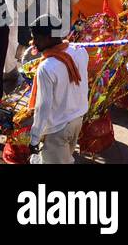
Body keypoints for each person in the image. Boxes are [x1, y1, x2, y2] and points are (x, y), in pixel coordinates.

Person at [17, 19, 89, 164]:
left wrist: (35, 138)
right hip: (77, 120)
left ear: (48, 38)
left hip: (58, 128)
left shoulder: (47, 67)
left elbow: (43, 107)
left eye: (36, 37)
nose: (33, 42)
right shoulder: (80, 51)